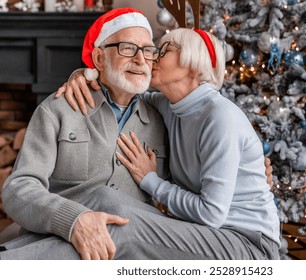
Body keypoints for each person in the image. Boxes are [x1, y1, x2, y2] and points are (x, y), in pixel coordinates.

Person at [53, 26, 281, 259]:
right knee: (105, 199)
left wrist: (151, 181)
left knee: (123, 230)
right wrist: (83, 76)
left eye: (164, 51)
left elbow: (212, 214)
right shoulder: (169, 105)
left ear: (193, 61)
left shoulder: (219, 117)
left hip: (248, 243)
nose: (153, 58)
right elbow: (120, 87)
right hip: (209, 234)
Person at [0, 8, 170, 260]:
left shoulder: (164, 117)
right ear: (99, 58)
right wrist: (73, 220)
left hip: (125, 254)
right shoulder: (58, 109)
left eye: (148, 50)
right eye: (127, 48)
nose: (141, 59)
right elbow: (18, 190)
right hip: (56, 245)